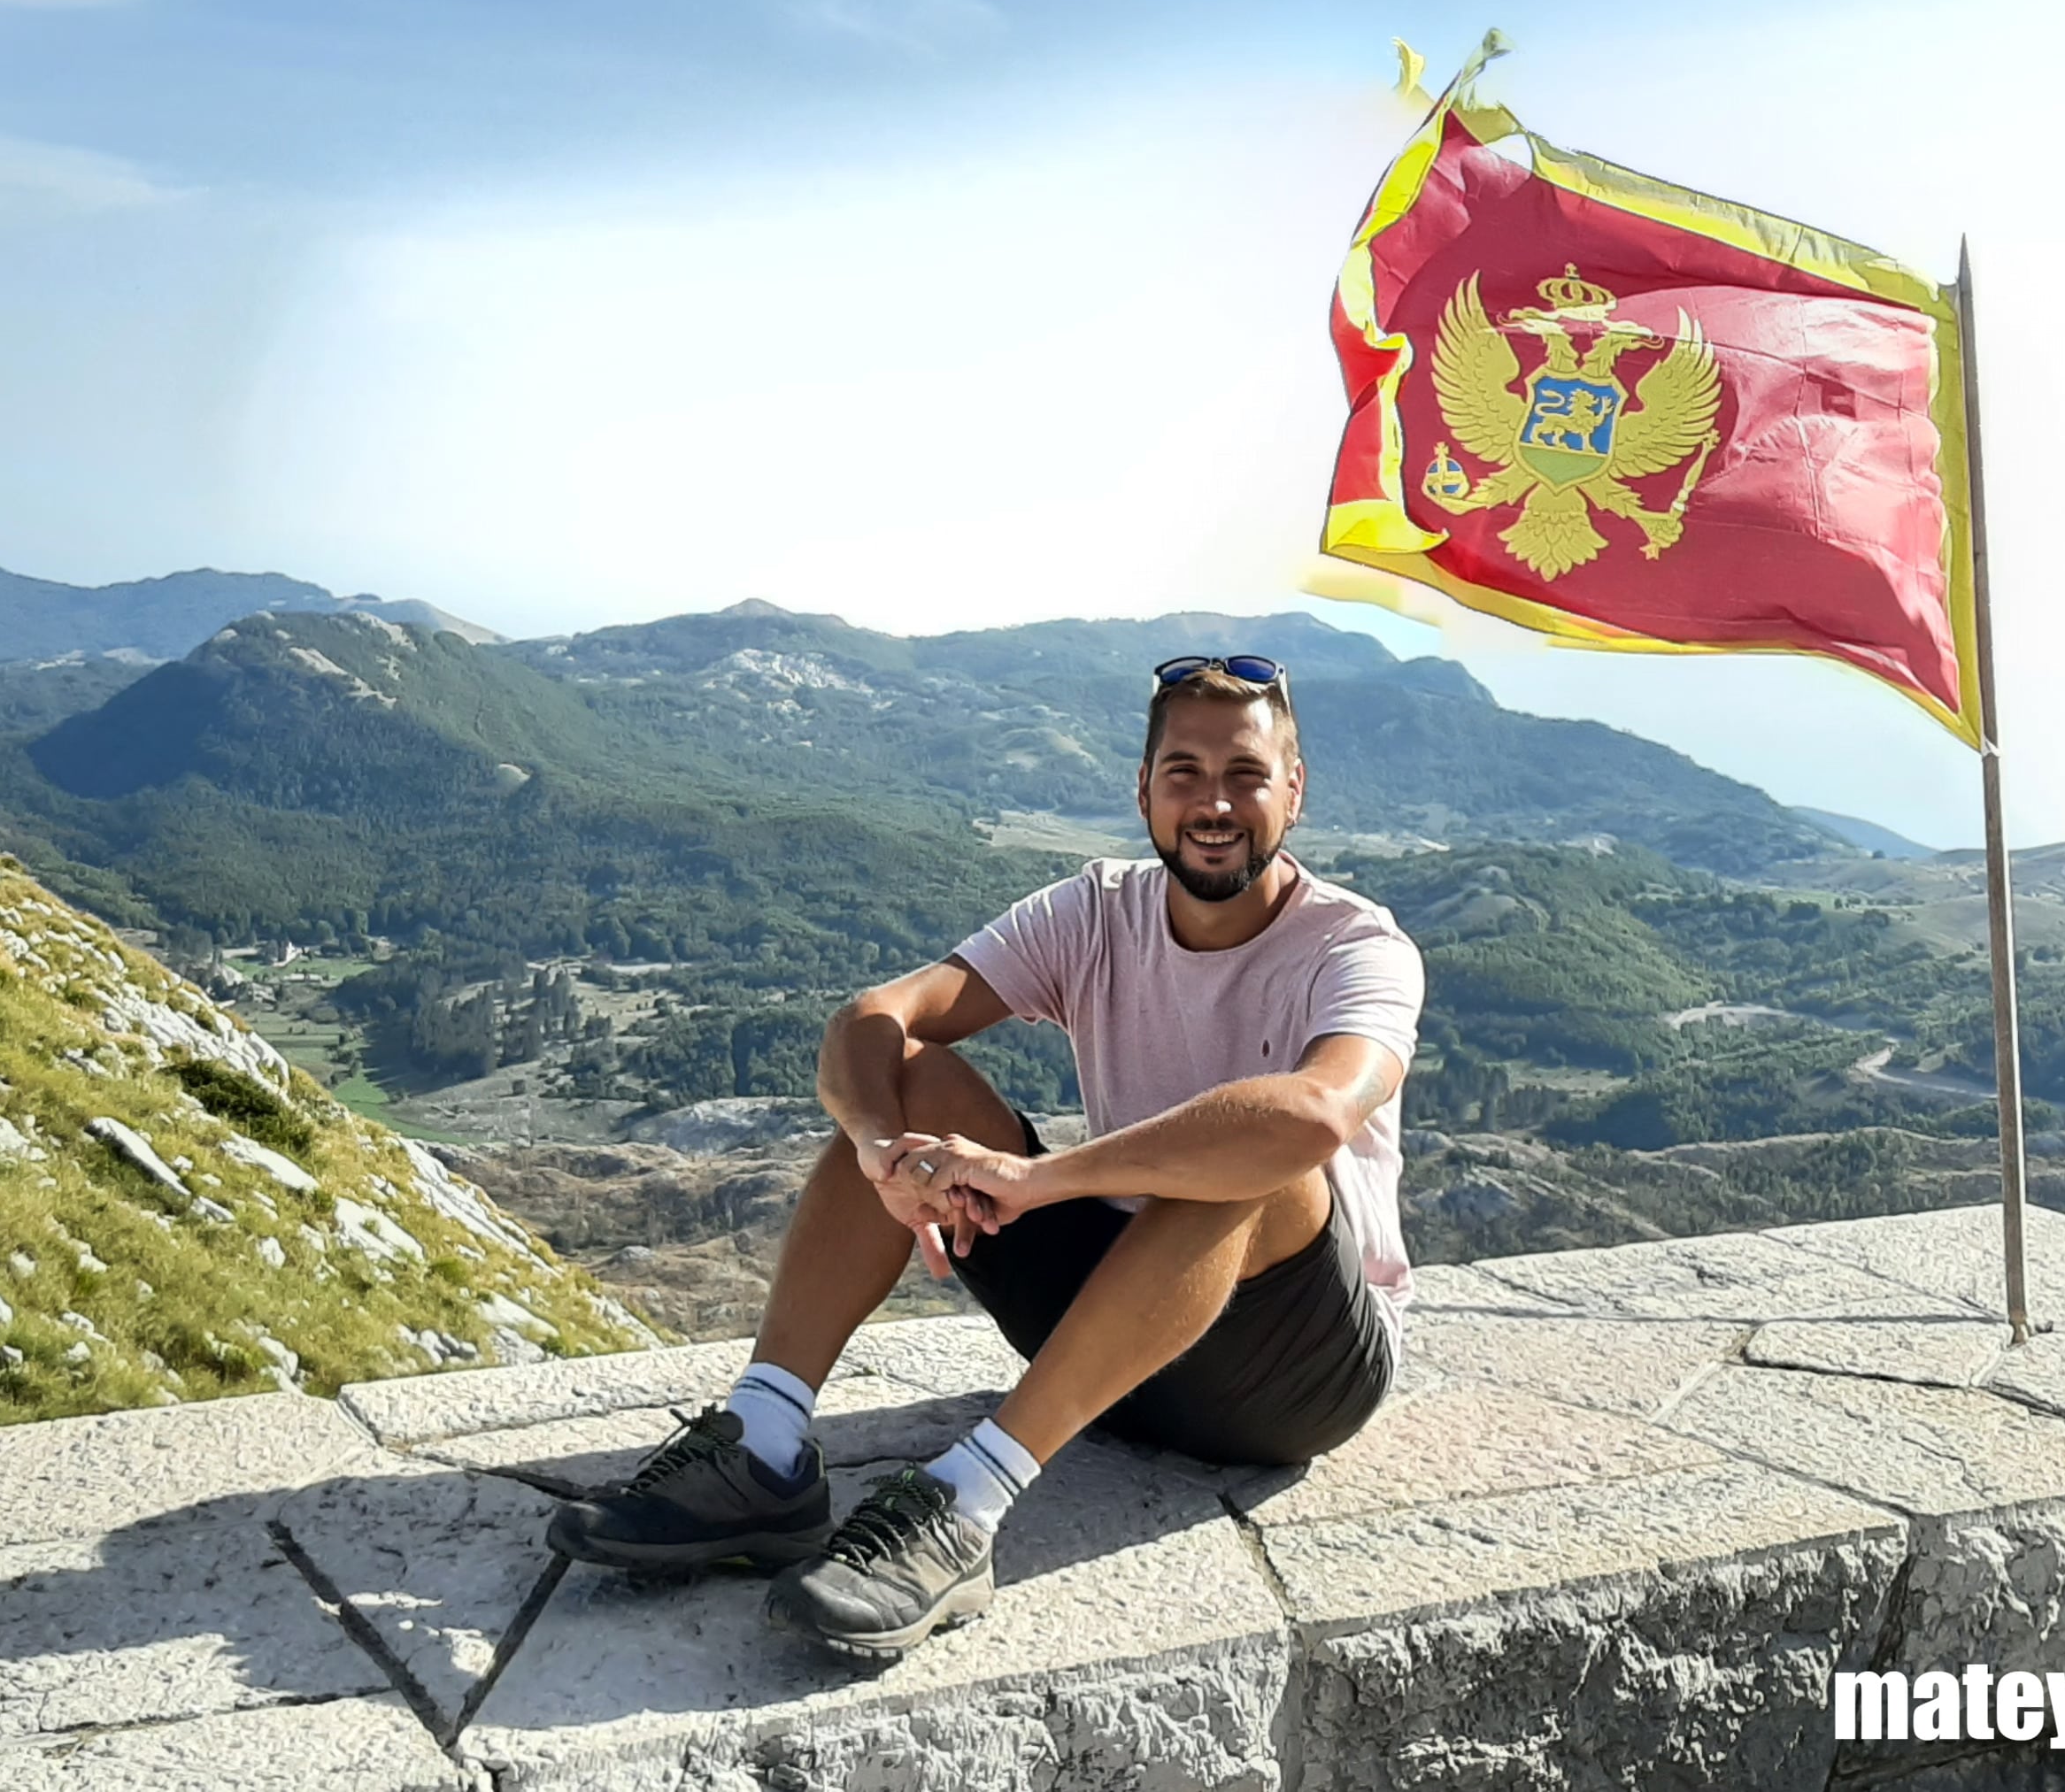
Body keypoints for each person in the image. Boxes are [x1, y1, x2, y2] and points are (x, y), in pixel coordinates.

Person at [544, 652, 1426, 1658]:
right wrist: (885, 1152)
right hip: (1117, 1333)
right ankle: (767, 1443)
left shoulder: (1358, 947)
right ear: (1144, 792)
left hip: (1295, 1372)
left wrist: (1040, 1179)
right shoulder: (1098, 911)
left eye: (1246, 775)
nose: (1213, 803)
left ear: (1294, 792)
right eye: (1184, 772)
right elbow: (871, 1020)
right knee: (906, 1079)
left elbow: (1313, 1116)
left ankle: (964, 1504)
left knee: (1250, 1160)